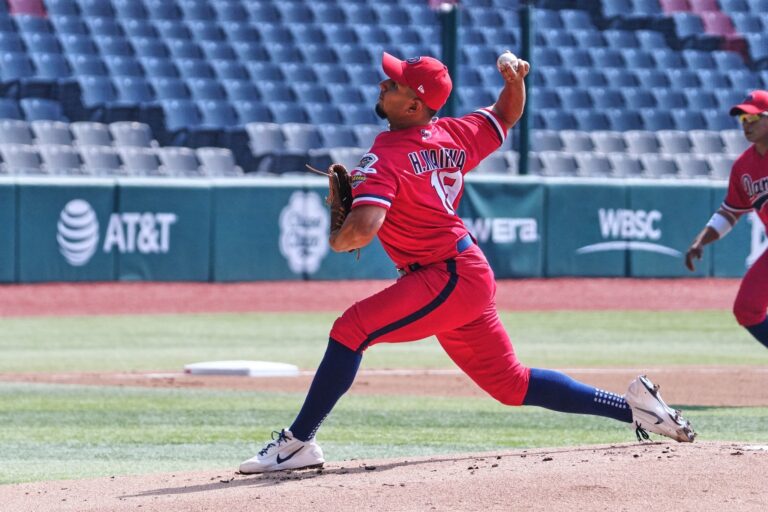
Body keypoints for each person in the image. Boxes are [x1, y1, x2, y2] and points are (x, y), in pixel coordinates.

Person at [239, 52, 695, 474]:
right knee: (511, 385)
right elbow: (505, 114)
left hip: (443, 275)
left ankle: (298, 443)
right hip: (463, 273)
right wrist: (515, 82)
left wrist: (338, 235)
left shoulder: (386, 154)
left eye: (394, 83)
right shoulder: (454, 135)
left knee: (350, 329)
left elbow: (361, 231)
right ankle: (635, 408)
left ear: (415, 105)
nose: (384, 83)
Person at [685, 90, 768, 349]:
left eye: (753, 118)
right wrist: (701, 240)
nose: (747, 125)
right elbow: (730, 212)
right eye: (743, 120)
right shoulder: (743, 167)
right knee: (747, 308)